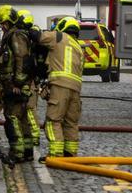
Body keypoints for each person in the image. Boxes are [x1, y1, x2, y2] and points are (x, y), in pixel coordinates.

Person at [0, 4, 35, 162]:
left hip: (15, 85)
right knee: (21, 118)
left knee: (12, 117)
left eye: (3, 23)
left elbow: (22, 59)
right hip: (13, 84)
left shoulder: (16, 36)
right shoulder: (12, 35)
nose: (1, 27)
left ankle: (17, 153)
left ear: (9, 22)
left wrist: (18, 83)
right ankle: (27, 151)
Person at [38, 17, 84, 159]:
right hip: (75, 90)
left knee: (53, 120)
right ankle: (70, 154)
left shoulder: (58, 37)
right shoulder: (79, 48)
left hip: (60, 86)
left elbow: (38, 37)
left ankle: (56, 155)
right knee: (71, 122)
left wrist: (31, 28)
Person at [17, 9, 44, 155]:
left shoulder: (32, 38)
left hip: (31, 79)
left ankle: (34, 135)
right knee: (25, 108)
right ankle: (29, 134)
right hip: (31, 78)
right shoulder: (31, 36)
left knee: (30, 107)